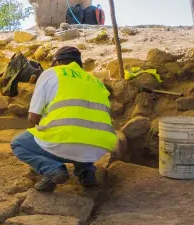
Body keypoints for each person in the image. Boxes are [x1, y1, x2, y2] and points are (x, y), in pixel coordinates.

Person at [10, 46, 117, 192]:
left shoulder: (51, 73)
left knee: (18, 144)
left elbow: (33, 118)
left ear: (56, 63)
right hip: (99, 146)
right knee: (82, 130)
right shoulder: (95, 81)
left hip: (66, 140)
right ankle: (87, 172)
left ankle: (52, 169)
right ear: (79, 65)